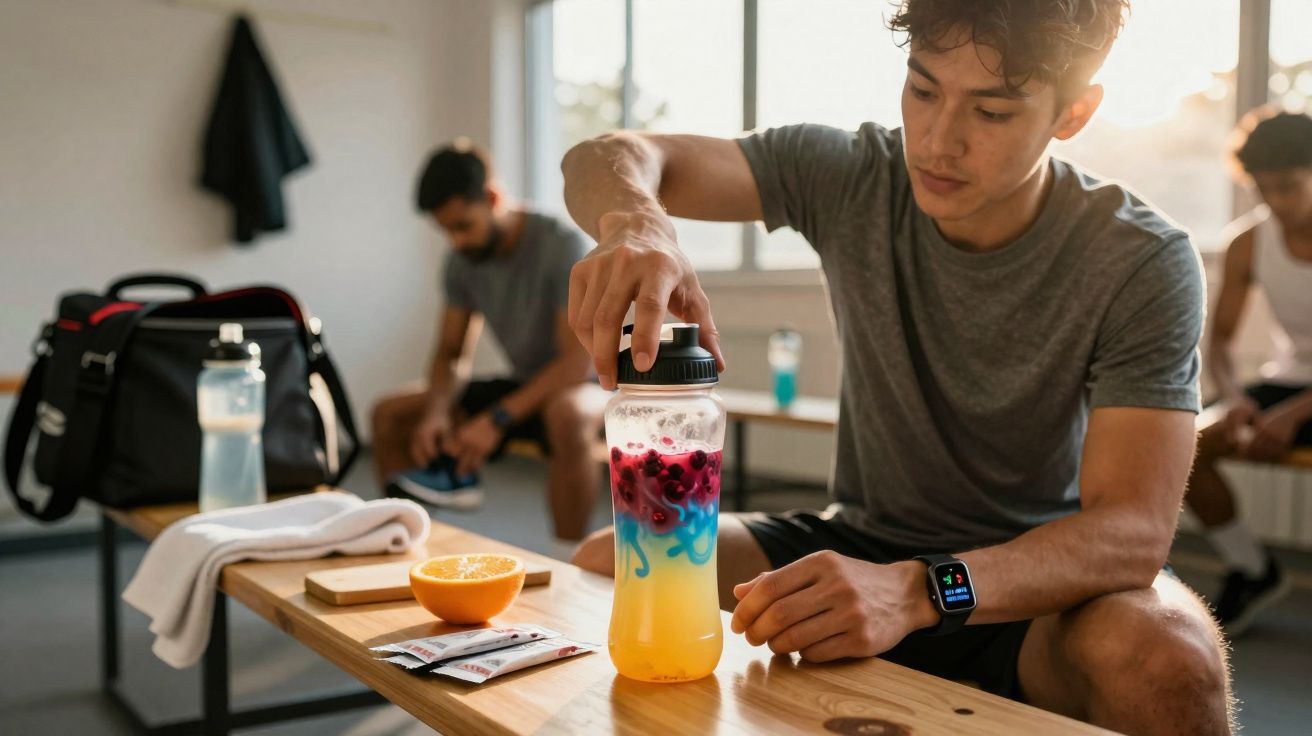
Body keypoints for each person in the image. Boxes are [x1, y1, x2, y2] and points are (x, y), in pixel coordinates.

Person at [562, 1, 1233, 733]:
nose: (939, 141)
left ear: (1072, 113)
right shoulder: (852, 174)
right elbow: (604, 155)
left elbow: (1131, 533)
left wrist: (918, 592)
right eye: (923, 90)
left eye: (993, 111)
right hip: (861, 543)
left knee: (1171, 662)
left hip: (1030, 587)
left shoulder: (1143, 258)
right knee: (611, 565)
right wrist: (637, 220)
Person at [372, 142, 607, 556]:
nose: (456, 240)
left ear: (494, 198)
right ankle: (399, 544)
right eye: (446, 230)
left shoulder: (560, 244)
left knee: (566, 414)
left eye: (463, 225)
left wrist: (496, 419)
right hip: (528, 384)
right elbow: (450, 352)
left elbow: (575, 362)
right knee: (389, 414)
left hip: (596, 382)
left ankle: (567, 561)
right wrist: (437, 411)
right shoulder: (461, 260)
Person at [1185, 109, 1312, 635]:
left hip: (1297, 402)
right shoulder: (1248, 242)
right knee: (1185, 449)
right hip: (1285, 381)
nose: (1277, 202)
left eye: (1290, 187)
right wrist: (1236, 396)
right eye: (1265, 190)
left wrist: (1290, 417)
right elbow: (1218, 347)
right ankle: (1253, 570)